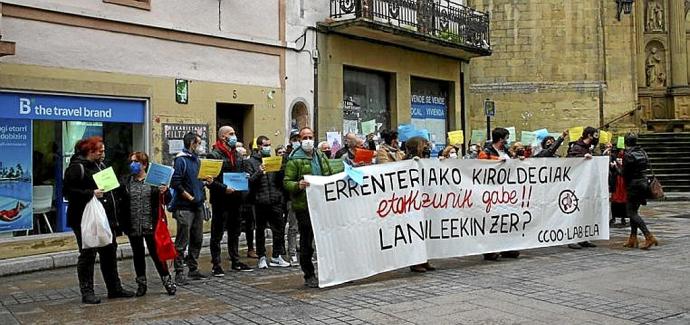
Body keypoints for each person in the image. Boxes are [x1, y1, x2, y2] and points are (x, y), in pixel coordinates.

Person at [63, 136, 134, 304]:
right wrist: (90, 193)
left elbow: (111, 190)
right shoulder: (76, 168)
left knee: (109, 252)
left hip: (103, 218)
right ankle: (87, 291)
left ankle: (114, 288)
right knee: (88, 253)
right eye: (100, 151)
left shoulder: (100, 165)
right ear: (90, 151)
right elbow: (67, 193)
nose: (104, 153)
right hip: (84, 219)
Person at [118, 152, 176, 296]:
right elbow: (120, 201)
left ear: (144, 164)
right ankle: (141, 284)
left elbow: (167, 200)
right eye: (131, 162)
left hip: (151, 224)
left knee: (156, 254)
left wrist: (165, 191)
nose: (132, 165)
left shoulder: (153, 181)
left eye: (136, 162)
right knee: (138, 255)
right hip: (133, 225)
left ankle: (167, 281)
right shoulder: (126, 181)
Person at [284, 127, 333, 287]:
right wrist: (298, 185)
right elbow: (286, 182)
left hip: (322, 204)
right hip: (304, 206)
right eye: (304, 137)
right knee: (306, 241)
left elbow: (330, 174)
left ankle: (331, 272)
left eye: (310, 137)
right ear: (299, 139)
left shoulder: (320, 156)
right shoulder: (294, 159)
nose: (308, 140)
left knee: (326, 239)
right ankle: (309, 274)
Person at [206, 126, 253, 275]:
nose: (234, 136)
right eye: (231, 134)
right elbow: (209, 181)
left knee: (235, 231)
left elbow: (242, 172)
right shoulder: (214, 155)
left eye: (234, 133)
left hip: (236, 198)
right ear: (223, 137)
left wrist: (245, 176)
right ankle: (216, 264)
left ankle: (235, 260)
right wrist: (223, 188)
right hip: (221, 199)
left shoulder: (237, 155)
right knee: (217, 233)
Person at [170, 132, 208, 284]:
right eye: (199, 143)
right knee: (182, 241)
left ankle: (193, 268)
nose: (200, 146)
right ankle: (179, 272)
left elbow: (197, 181)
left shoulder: (197, 160)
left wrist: (205, 182)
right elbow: (176, 182)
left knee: (197, 238)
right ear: (192, 143)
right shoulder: (181, 160)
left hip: (198, 205)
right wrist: (188, 196)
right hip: (184, 207)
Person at [246, 136, 290, 269]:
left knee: (279, 229)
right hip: (260, 201)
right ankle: (262, 257)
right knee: (260, 230)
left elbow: (279, 181)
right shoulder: (250, 162)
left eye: (269, 145)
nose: (268, 148)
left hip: (275, 200)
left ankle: (276, 256)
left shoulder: (273, 160)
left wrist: (281, 169)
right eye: (265, 145)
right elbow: (249, 181)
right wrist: (259, 172)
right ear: (259, 146)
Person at [477, 128, 520, 260]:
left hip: (506, 192)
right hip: (491, 191)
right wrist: (497, 161)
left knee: (505, 220)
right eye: (506, 137)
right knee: (491, 221)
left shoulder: (506, 151)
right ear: (501, 139)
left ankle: (506, 248)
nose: (507, 140)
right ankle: (489, 250)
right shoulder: (486, 152)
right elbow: (480, 165)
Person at [403, 136, 436, 273]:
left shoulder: (424, 160)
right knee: (415, 232)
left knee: (425, 232)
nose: (427, 147)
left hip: (424, 201)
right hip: (412, 202)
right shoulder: (408, 162)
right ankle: (415, 262)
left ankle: (424, 260)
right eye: (425, 145)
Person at [622, 133, 658, 250]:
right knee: (635, 211)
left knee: (631, 212)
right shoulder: (642, 152)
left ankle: (648, 236)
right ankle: (633, 239)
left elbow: (624, 173)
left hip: (633, 185)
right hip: (643, 183)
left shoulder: (628, 155)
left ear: (626, 142)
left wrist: (616, 167)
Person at [565, 126, 598, 249]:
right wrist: (582, 159)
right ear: (589, 135)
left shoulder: (589, 148)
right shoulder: (577, 147)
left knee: (585, 211)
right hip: (575, 185)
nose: (597, 137)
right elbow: (569, 162)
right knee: (573, 212)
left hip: (586, 185)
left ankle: (583, 237)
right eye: (595, 135)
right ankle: (571, 239)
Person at [609, 150, 628, 227]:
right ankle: (613, 217)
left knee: (624, 200)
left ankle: (623, 217)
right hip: (616, 182)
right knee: (615, 200)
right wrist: (613, 166)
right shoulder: (613, 158)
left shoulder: (627, 159)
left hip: (623, 182)